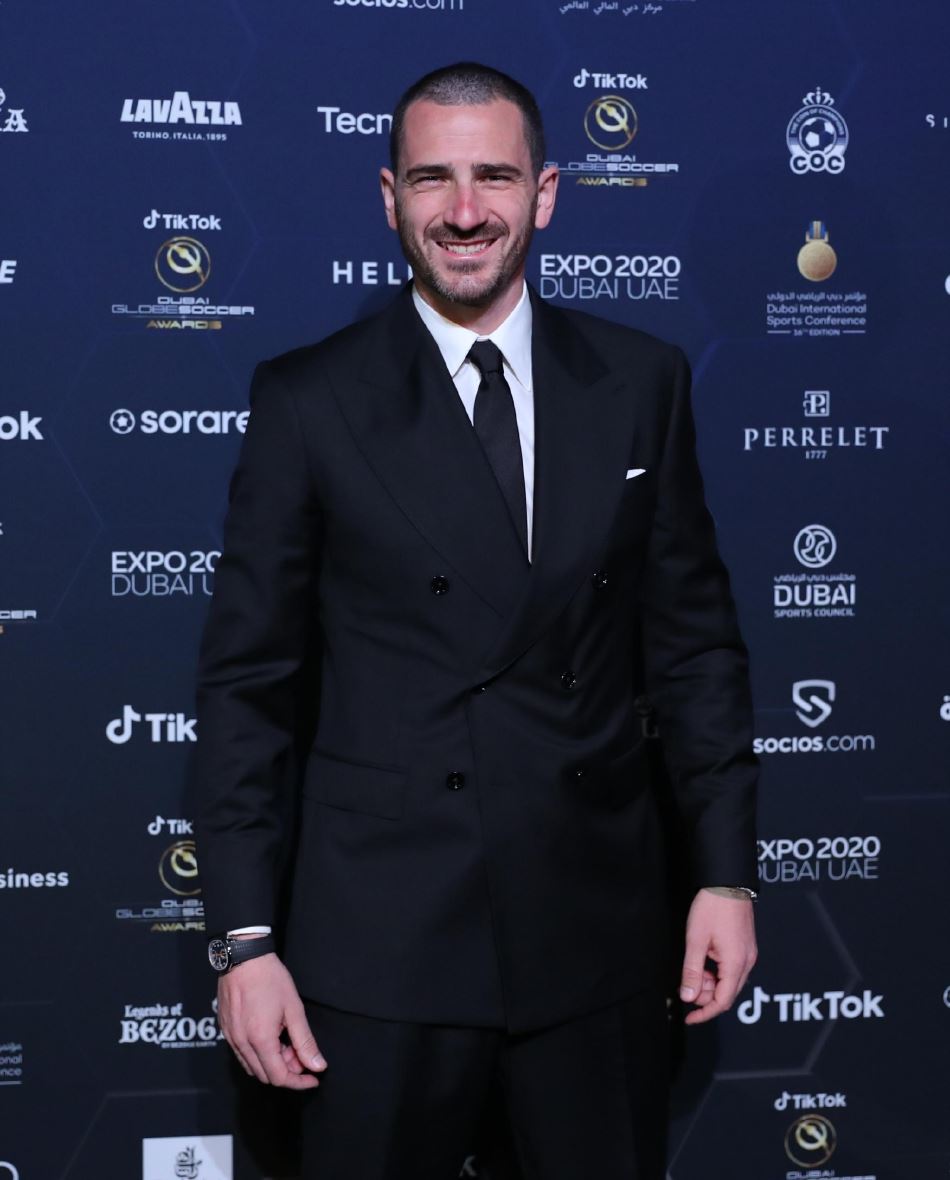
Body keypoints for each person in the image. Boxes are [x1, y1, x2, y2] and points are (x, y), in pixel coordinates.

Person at [191, 61, 758, 1179]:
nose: (463, 211)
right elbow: (248, 688)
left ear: (543, 194)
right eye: (431, 180)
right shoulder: (309, 398)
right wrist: (243, 941)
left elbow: (694, 649)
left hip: (593, 934)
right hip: (380, 947)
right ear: (388, 198)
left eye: (493, 177)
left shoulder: (640, 380)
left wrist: (725, 875)